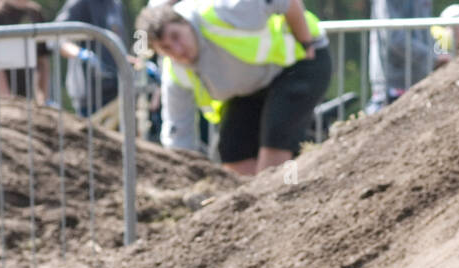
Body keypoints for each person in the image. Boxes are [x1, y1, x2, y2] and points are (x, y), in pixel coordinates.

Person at [139, 0, 331, 176]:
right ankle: (251, 206)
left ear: (185, 23)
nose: (178, 50)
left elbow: (288, 2)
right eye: (166, 48)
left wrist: (307, 43)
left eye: (176, 37)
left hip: (298, 64)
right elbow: (178, 135)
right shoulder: (175, 73)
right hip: (251, 88)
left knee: (275, 140)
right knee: (233, 150)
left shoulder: (225, 11)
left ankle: (281, 199)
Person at [53, 0, 130, 118]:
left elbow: (117, 44)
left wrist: (132, 61)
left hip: (116, 90)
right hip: (89, 95)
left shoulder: (116, 4)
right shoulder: (80, 3)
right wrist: (81, 54)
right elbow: (57, 38)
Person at [365, 0, 434, 114]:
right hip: (393, 85)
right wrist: (432, 58)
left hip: (421, 80)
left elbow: (425, 32)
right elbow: (395, 38)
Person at [0, 0, 50, 102]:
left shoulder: (35, 12)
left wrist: (43, 98)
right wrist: (7, 100)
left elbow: (42, 59)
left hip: (27, 95)